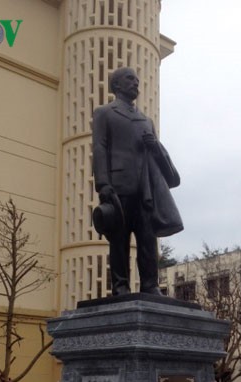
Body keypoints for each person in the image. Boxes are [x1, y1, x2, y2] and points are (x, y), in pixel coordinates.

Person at [92, 67, 183, 296]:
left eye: (137, 80)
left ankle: (150, 285)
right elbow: (100, 148)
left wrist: (153, 144)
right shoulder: (105, 113)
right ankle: (120, 286)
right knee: (119, 240)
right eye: (130, 79)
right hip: (119, 186)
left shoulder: (146, 120)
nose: (135, 83)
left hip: (146, 189)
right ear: (117, 86)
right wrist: (103, 183)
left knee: (147, 239)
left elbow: (155, 156)